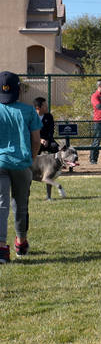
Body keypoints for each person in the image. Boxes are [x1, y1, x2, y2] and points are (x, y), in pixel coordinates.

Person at [0, 71, 41, 262]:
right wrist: (32, 159)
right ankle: (20, 242)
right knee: (21, 205)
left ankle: (1, 249)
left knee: (1, 206)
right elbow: (36, 140)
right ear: (18, 90)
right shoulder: (28, 111)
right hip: (22, 163)